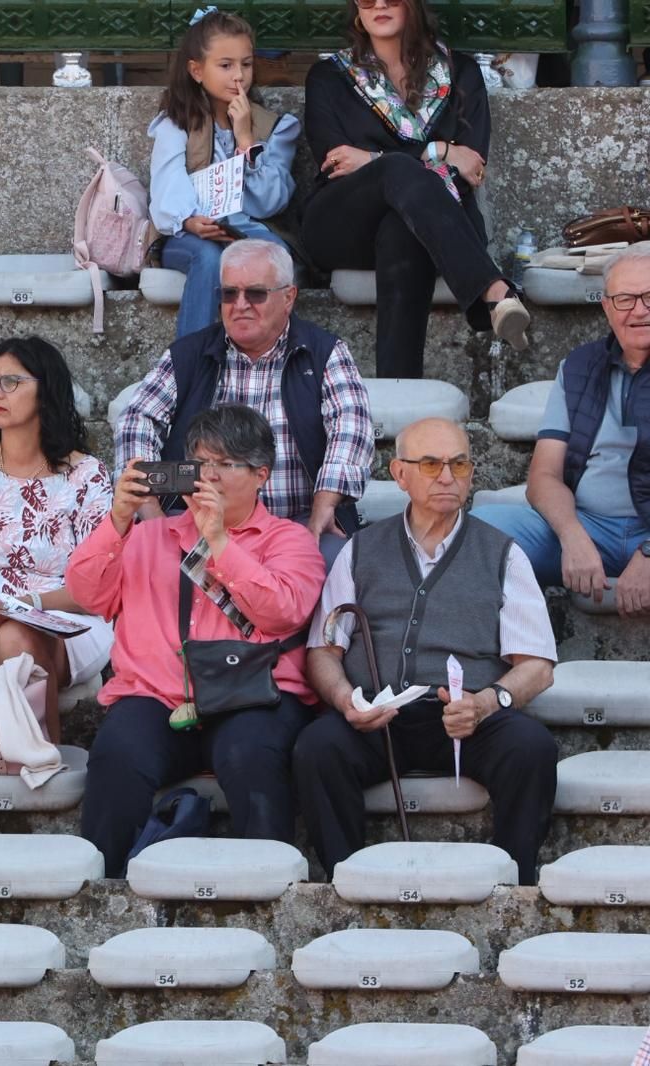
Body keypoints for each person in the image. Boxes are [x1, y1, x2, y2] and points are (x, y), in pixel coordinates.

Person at [295, 417, 558, 884]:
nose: (446, 477)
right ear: (399, 474)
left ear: (472, 475)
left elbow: (536, 665)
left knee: (531, 747)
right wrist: (345, 702)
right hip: (378, 716)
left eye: (459, 465)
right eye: (431, 463)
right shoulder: (361, 550)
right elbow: (324, 649)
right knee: (319, 746)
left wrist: (486, 703)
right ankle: (344, 880)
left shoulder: (502, 553)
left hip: (468, 717)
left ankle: (514, 880)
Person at [68, 405, 325, 876]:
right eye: (200, 465)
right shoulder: (149, 537)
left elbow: (284, 610)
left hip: (255, 696)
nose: (210, 478)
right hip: (156, 695)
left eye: (225, 465)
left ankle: (267, 886)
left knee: (249, 754)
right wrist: (118, 518)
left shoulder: (289, 540)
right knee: (117, 754)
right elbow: (87, 594)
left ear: (261, 474)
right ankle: (104, 889)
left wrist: (220, 543)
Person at [300, 0, 529, 378]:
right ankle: (492, 290)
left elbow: (470, 165)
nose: (378, 3)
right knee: (394, 169)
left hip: (430, 225)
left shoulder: (461, 73)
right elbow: (337, 161)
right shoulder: (328, 76)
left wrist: (372, 157)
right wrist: (437, 151)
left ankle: (399, 391)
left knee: (402, 228)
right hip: (340, 221)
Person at [115, 240, 374, 564]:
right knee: (139, 562)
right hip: (198, 524)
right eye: (229, 294)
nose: (240, 304)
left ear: (288, 297)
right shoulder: (189, 354)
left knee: (337, 561)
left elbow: (351, 425)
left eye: (255, 293)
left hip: (295, 525)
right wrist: (151, 511)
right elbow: (136, 420)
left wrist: (325, 502)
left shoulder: (323, 352)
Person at [0, 337, 113, 730]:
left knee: (16, 637)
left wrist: (25, 605)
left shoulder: (86, 476)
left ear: (45, 391)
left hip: (65, 617)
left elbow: (97, 588)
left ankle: (36, 763)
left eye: (11, 382)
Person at [474, 243, 650, 616]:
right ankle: (504, 665)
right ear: (606, 306)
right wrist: (573, 536)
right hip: (590, 529)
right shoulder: (579, 367)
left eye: (649, 296)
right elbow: (544, 476)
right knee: (475, 535)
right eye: (625, 299)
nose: (639, 310)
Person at [148, 8, 299, 338]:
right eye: (226, 65)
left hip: (246, 230)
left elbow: (270, 203)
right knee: (208, 257)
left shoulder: (274, 127)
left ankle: (272, 357)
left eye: (246, 64)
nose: (239, 76)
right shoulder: (177, 123)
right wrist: (188, 220)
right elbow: (166, 183)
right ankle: (192, 366)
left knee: (278, 259)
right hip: (187, 234)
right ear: (197, 70)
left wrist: (246, 138)